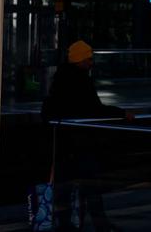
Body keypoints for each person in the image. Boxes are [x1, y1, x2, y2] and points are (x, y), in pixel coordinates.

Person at [42, 40, 133, 232]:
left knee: (64, 188)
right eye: (88, 59)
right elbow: (95, 109)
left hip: (63, 143)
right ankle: (100, 224)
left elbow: (48, 109)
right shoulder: (82, 80)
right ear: (80, 59)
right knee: (91, 186)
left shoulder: (60, 78)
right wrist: (121, 113)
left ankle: (64, 224)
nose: (91, 62)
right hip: (81, 142)